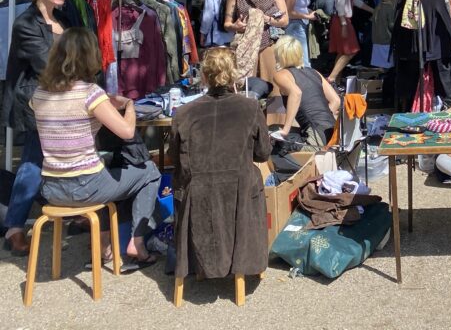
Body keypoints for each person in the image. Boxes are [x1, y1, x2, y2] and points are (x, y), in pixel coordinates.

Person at [32, 28, 161, 265]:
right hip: (85, 186)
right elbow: (127, 131)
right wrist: (129, 106)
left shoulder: (39, 94)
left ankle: (104, 246)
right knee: (150, 173)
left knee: (103, 165)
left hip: (51, 187)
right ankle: (138, 241)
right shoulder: (90, 93)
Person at [170, 47, 272, 283]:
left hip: (199, 192)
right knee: (252, 176)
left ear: (204, 76)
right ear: (234, 75)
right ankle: (242, 266)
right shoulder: (250, 108)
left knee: (183, 183)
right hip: (239, 188)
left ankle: (195, 267)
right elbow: (263, 154)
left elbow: (175, 158)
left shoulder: (184, 113)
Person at [2, 0, 71, 256]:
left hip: (66, 101)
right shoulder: (26, 23)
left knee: (64, 156)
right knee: (32, 162)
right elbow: (46, 65)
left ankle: (70, 208)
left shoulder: (64, 18)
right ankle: (15, 228)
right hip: (37, 103)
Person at [223, 0, 289, 82]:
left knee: (273, 86)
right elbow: (227, 24)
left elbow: (285, 21)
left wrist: (267, 19)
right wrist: (235, 26)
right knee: (245, 86)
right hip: (244, 46)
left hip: (268, 43)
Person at [272, 36, 340, 148]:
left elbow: (296, 93)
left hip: (315, 137)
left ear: (279, 55)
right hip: (332, 132)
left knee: (271, 144)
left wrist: (285, 130)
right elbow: (336, 100)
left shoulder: (281, 74)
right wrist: (322, 117)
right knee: (275, 128)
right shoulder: (314, 72)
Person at [328, 0, 373, 83]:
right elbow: (340, 4)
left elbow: (355, 1)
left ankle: (336, 81)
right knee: (350, 51)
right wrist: (343, 24)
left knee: (342, 52)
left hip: (342, 20)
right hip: (342, 21)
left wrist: (372, 10)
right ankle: (331, 78)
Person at [284, 0, 316, 68]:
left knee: (301, 58)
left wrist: (310, 11)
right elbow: (289, 12)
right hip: (294, 25)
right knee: (303, 60)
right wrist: (308, 16)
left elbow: (300, 6)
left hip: (301, 23)